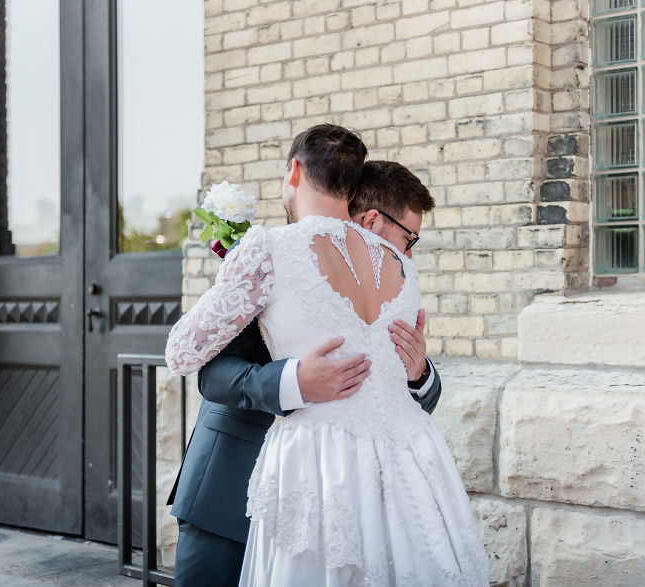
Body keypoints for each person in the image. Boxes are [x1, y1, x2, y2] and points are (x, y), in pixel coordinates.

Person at [166, 123, 488, 586]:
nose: (409, 252)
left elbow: (394, 395)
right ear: (369, 214)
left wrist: (418, 371)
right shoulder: (269, 252)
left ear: (296, 173)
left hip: (359, 498)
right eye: (409, 238)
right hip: (232, 486)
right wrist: (295, 381)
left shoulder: (391, 271)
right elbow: (213, 373)